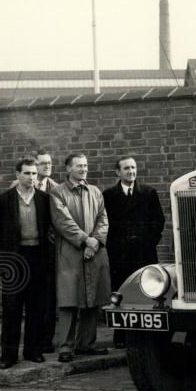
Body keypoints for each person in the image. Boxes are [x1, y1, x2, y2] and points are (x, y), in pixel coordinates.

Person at [0, 158, 53, 368]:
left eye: (34, 173)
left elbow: (49, 227)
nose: (32, 177)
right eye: (27, 173)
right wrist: (9, 248)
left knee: (36, 306)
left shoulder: (44, 199)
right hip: (13, 258)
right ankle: (8, 355)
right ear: (17, 175)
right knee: (12, 307)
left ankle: (33, 351)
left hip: (37, 257)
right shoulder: (2, 200)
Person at [50, 153, 111, 363]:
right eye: (78, 166)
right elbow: (63, 222)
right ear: (68, 168)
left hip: (94, 253)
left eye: (85, 165)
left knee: (92, 299)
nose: (83, 169)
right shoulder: (58, 193)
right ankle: (65, 347)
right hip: (70, 253)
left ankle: (87, 344)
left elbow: (103, 219)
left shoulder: (95, 191)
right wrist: (86, 240)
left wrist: (95, 242)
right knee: (69, 301)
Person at [102, 156, 165, 348]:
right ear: (118, 172)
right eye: (127, 168)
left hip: (143, 253)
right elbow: (106, 224)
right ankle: (121, 335)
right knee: (121, 293)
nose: (131, 171)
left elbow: (158, 221)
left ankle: (148, 336)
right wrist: (114, 245)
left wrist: (148, 243)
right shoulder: (109, 195)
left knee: (147, 291)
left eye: (133, 168)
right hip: (120, 254)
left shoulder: (148, 192)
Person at [11, 148, 58, 352]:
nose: (45, 166)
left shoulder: (54, 190)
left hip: (45, 251)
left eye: (49, 163)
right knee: (18, 301)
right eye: (41, 164)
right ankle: (18, 347)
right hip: (20, 251)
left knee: (44, 299)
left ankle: (42, 342)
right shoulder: (14, 190)